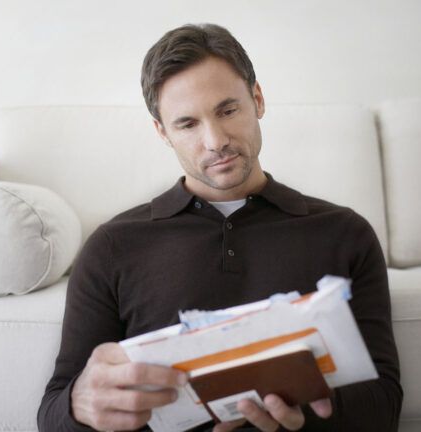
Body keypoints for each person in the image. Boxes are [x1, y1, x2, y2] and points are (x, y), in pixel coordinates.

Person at [38, 23, 402, 431]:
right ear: (162, 132)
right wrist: (79, 403)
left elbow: (384, 406)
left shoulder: (344, 233)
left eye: (227, 111)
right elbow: (52, 416)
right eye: (187, 124)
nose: (215, 141)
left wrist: (302, 412)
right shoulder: (112, 245)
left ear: (258, 100)